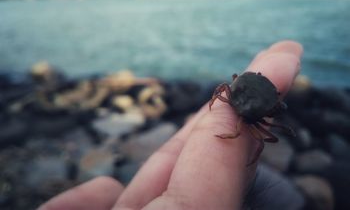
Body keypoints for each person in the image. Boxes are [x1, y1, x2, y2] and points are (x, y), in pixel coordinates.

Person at [39, 40, 303, 210]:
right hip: (246, 116)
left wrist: (228, 100)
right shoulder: (255, 105)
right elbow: (268, 133)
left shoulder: (229, 87)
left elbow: (231, 86)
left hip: (241, 109)